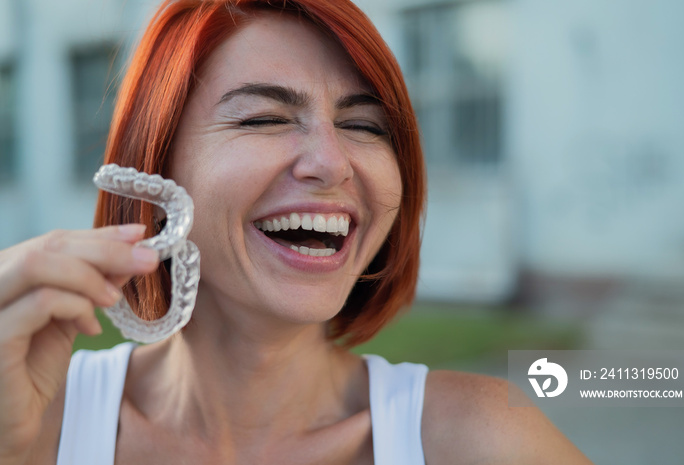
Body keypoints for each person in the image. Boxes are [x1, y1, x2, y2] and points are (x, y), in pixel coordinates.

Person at [0, 1, 593, 464]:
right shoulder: (33, 427)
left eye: (364, 125)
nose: (332, 164)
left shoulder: (479, 441)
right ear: (154, 172)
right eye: (265, 118)